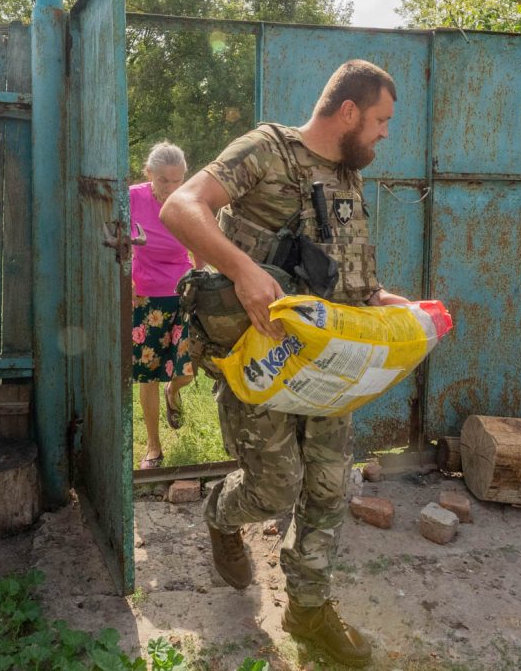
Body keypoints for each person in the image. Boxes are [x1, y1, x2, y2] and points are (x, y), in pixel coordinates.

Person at [160, 60, 407, 668]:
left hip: (329, 364)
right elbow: (181, 207)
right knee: (274, 487)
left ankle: (309, 608)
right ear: (348, 111)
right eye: (379, 120)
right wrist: (242, 271)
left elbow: (335, 267)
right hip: (262, 358)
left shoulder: (348, 175)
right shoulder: (266, 150)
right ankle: (222, 510)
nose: (383, 134)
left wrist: (381, 301)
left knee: (326, 487)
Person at [130, 141, 195, 469]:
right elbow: (115, 238)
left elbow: (201, 245)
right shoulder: (131, 198)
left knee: (189, 366)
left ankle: (175, 391)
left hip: (183, 293)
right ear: (149, 175)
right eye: (164, 180)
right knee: (147, 374)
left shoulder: (189, 202)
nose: (171, 188)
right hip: (147, 296)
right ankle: (154, 447)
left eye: (177, 180)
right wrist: (125, 279)